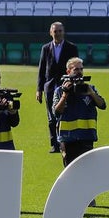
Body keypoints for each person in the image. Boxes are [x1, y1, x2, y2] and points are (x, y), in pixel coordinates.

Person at [52, 57, 106, 169]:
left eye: (81, 69)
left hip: (86, 137)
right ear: (68, 71)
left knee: (88, 172)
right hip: (68, 139)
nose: (79, 72)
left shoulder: (89, 88)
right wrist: (65, 95)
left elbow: (102, 105)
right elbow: (56, 112)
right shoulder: (59, 90)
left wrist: (91, 93)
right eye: (76, 69)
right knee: (70, 172)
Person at [36, 21, 79, 153]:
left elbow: (76, 68)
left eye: (60, 31)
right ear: (51, 33)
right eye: (55, 31)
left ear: (63, 32)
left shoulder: (72, 47)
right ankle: (54, 144)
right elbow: (41, 68)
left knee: (67, 114)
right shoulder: (46, 48)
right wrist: (39, 89)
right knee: (51, 116)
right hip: (49, 86)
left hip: (67, 85)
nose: (58, 33)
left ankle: (68, 141)